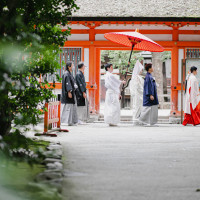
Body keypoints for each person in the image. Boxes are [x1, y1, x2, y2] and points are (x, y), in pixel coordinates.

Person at [61, 61, 78, 126]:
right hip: (68, 93)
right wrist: (69, 91)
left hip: (72, 93)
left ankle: (71, 121)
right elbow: (67, 84)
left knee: (71, 108)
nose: (73, 67)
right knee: (68, 108)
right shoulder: (66, 74)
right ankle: (65, 121)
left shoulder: (69, 73)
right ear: (69, 66)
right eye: (72, 65)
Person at [129, 60, 144, 124]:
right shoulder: (136, 77)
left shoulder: (136, 77)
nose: (141, 71)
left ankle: (138, 118)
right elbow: (138, 87)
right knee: (138, 106)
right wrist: (144, 91)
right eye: (141, 70)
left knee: (138, 106)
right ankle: (136, 118)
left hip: (138, 94)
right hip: (138, 94)